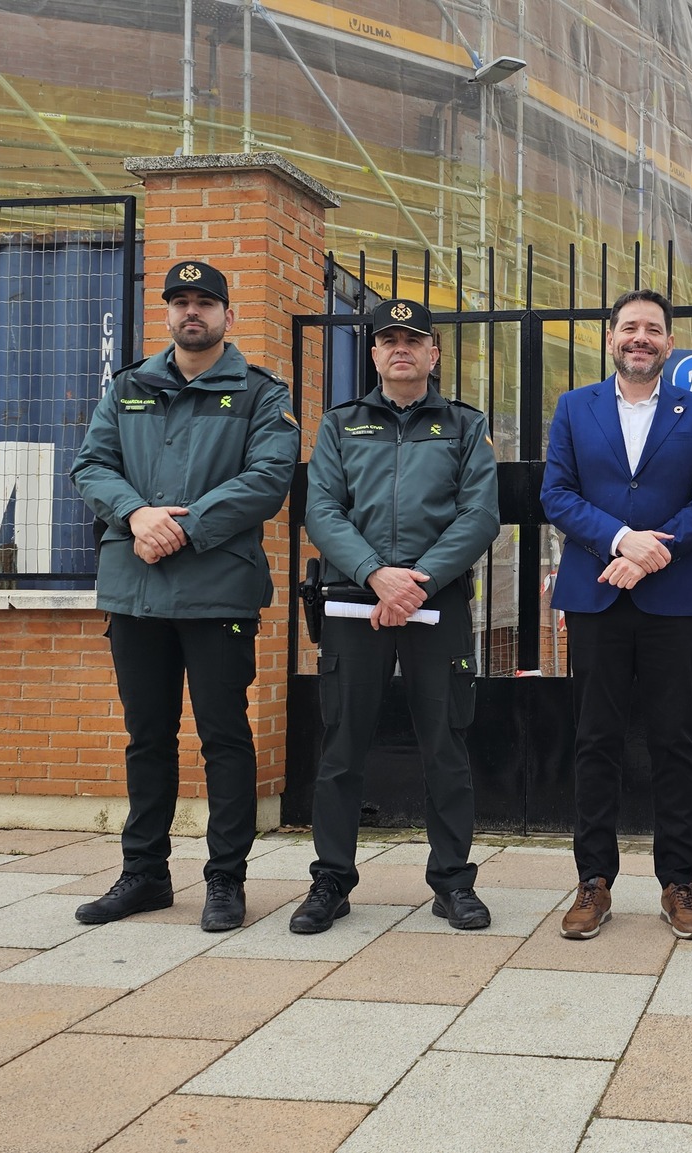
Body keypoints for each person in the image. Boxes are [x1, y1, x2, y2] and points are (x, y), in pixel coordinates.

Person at [70, 259, 298, 932]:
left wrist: (182, 526)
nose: (191, 312)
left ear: (229, 315)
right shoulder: (129, 385)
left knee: (224, 737)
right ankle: (144, 874)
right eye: (180, 302)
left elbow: (268, 477)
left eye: (205, 302)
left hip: (216, 590)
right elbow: (91, 465)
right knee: (147, 738)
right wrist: (137, 515)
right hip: (135, 588)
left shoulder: (260, 393)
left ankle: (225, 879)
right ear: (166, 313)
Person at [293, 298, 501, 933]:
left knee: (445, 745)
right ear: (375, 353)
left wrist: (419, 580)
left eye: (413, 339)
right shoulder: (339, 425)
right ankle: (330, 880)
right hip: (356, 601)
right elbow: (322, 510)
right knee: (342, 746)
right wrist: (377, 575)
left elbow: (479, 515)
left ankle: (452, 882)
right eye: (388, 339)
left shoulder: (465, 426)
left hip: (436, 605)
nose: (400, 348)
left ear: (433, 353)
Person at [541, 289, 692, 941]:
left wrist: (653, 552)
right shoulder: (574, 407)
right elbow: (556, 494)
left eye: (653, 328)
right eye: (629, 327)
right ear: (611, 338)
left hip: (671, 600)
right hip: (596, 591)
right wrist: (622, 540)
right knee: (596, 739)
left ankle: (678, 881)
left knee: (676, 740)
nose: (640, 337)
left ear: (669, 343)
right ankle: (593, 880)